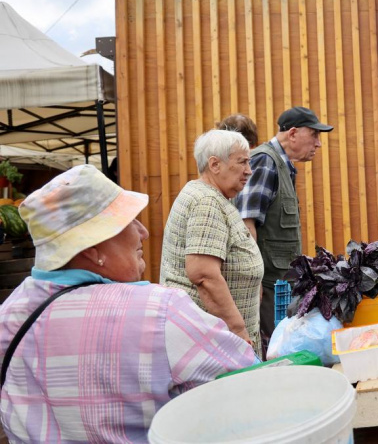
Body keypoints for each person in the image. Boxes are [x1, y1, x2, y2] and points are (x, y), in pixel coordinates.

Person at [0, 165, 255, 442]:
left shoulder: (8, 315)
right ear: (92, 250)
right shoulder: (160, 312)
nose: (142, 231)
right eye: (128, 221)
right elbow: (252, 386)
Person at [160, 129, 264, 356]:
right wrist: (237, 330)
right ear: (215, 165)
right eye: (242, 162)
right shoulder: (206, 202)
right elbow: (204, 275)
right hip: (216, 344)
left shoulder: (211, 195)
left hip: (214, 339)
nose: (249, 170)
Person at [234, 106, 333, 343]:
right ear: (293, 133)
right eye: (314, 134)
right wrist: (254, 280)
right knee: (273, 350)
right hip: (267, 287)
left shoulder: (281, 165)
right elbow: (246, 223)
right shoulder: (265, 161)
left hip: (279, 285)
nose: (318, 143)